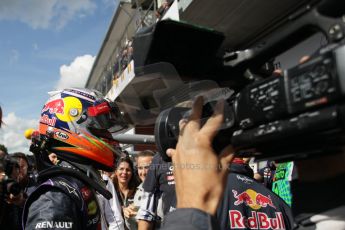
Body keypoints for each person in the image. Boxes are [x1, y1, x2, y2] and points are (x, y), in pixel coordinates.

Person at [22, 88, 127, 229]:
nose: (108, 134)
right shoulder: (55, 197)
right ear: (74, 126)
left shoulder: (78, 182)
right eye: (101, 127)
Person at [114, 156, 140, 229]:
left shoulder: (138, 191)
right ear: (116, 172)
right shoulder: (110, 191)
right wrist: (122, 209)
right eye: (121, 169)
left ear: (132, 173)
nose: (124, 172)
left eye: (128, 170)